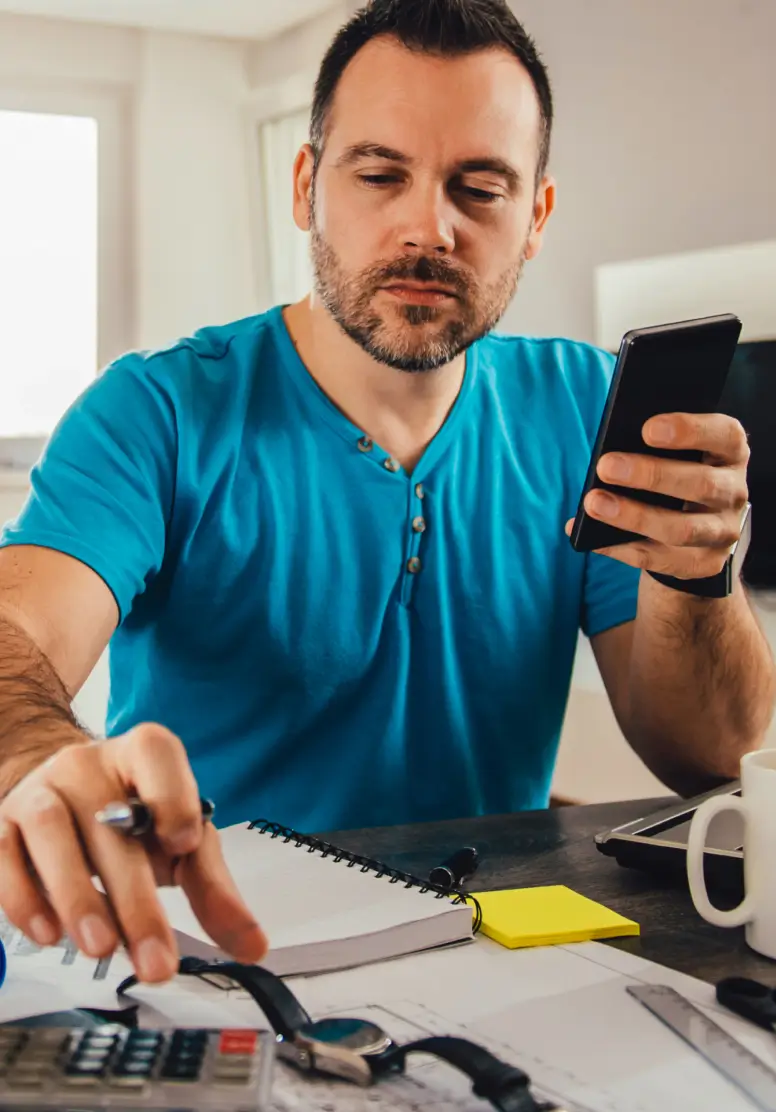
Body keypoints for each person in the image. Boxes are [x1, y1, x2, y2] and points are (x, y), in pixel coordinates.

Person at [0, 0, 773, 986]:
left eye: (478, 186)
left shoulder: (586, 407)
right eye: (379, 174)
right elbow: (16, 624)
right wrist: (31, 751)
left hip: (491, 946)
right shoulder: (156, 410)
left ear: (533, 216)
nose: (426, 227)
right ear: (305, 185)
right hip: (211, 950)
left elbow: (708, 756)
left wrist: (700, 577)